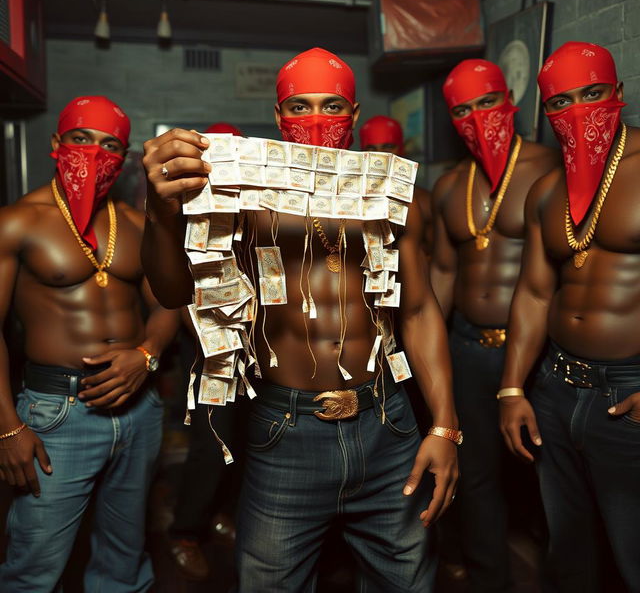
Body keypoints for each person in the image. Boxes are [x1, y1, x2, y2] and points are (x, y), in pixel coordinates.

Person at [141, 47, 459, 592]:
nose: (315, 121)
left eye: (331, 106)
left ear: (355, 114)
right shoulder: (244, 198)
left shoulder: (397, 199)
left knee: (408, 583)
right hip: (285, 430)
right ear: (278, 118)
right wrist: (160, 211)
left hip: (387, 422)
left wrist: (446, 424)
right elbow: (173, 293)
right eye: (299, 107)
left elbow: (421, 308)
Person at [0, 96, 180, 592]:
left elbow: (169, 303)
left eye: (110, 146)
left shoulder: (136, 222)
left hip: (137, 407)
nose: (95, 154)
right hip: (58, 411)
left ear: (122, 160)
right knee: (35, 568)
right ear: (57, 144)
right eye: (81, 139)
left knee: (125, 559)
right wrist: (7, 428)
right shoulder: (19, 221)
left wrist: (146, 356)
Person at [499, 41, 640, 593]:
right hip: (556, 387)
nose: (578, 110)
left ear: (619, 94)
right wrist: (511, 389)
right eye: (561, 101)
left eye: (593, 94)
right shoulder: (546, 191)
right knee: (570, 550)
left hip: (629, 390)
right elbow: (534, 293)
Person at [430, 59, 558, 592]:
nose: (477, 117)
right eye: (462, 109)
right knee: (475, 475)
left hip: (539, 354)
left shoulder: (549, 167)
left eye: (487, 102)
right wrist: (422, 351)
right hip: (466, 349)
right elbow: (441, 271)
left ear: (510, 100)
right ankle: (490, 580)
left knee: (551, 476)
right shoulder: (448, 185)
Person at [168, 121, 244, 581]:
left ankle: (221, 514)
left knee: (243, 443)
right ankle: (184, 531)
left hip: (250, 350)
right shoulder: (186, 211)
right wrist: (210, 345)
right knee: (210, 446)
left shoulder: (248, 206)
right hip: (208, 350)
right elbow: (176, 292)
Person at [360, 115, 433, 259]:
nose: (381, 156)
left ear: (402, 149)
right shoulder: (352, 203)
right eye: (372, 149)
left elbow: (438, 261)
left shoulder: (424, 201)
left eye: (387, 147)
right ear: (363, 154)